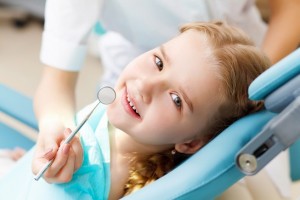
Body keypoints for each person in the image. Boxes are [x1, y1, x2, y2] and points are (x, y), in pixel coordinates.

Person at [0, 21, 272, 199]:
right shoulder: (115, 122)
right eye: (158, 62)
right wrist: (34, 153)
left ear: (190, 142)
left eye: (176, 99)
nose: (146, 86)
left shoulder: (81, 181)